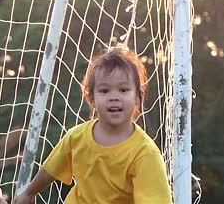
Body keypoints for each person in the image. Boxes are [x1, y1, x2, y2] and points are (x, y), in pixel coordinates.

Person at [13, 47, 172, 204]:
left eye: (123, 90)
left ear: (138, 96)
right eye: (104, 91)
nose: (114, 97)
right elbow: (51, 169)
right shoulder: (76, 137)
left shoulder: (144, 153)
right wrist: (29, 192)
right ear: (91, 98)